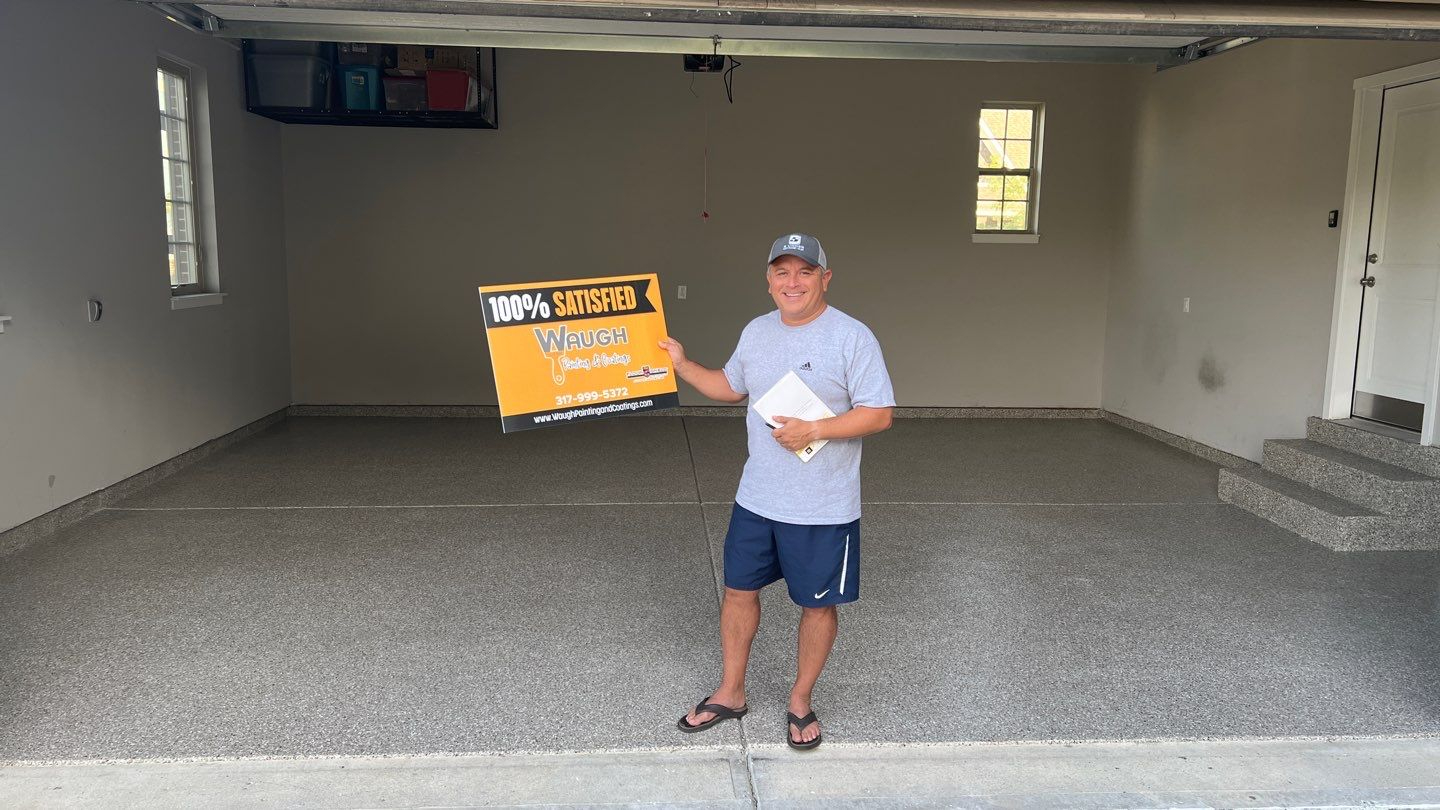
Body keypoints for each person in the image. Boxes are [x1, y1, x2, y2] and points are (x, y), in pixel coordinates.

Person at [659, 232, 895, 750]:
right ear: (768, 281)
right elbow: (731, 386)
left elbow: (879, 413)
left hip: (823, 506)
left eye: (805, 272)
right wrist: (681, 364)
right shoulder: (757, 331)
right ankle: (731, 691)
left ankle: (800, 701)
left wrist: (815, 430)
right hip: (757, 498)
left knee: (817, 606)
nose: (793, 282)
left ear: (824, 279)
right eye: (782, 272)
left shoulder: (851, 337)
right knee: (738, 592)